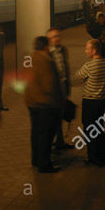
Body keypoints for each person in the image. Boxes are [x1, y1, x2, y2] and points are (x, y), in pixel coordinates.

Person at [25, 36, 64, 173]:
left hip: (32, 102)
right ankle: (44, 164)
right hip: (45, 104)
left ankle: (36, 160)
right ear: (46, 47)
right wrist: (60, 100)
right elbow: (49, 85)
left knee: (36, 133)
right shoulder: (46, 61)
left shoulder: (31, 58)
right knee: (45, 136)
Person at [76, 39, 105, 167]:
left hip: (90, 101)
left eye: (87, 48)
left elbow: (79, 76)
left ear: (94, 50)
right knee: (99, 128)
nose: (85, 51)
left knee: (89, 130)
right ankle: (103, 157)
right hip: (101, 101)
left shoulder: (89, 65)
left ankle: (93, 157)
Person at [47, 27, 73, 150]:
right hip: (53, 89)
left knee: (60, 114)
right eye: (54, 36)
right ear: (49, 39)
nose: (57, 38)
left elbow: (66, 68)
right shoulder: (46, 53)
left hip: (63, 85)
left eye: (58, 36)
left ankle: (60, 141)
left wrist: (68, 87)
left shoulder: (63, 50)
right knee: (53, 116)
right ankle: (53, 142)